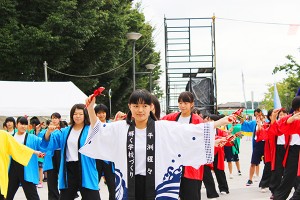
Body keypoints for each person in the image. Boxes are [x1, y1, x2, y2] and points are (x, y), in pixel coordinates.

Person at [81, 89, 233, 199]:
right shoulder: (120, 128)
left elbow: (189, 132)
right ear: (130, 107)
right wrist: (90, 108)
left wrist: (220, 122)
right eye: (136, 106)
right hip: (129, 183)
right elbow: (99, 130)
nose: (140, 110)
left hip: (156, 182)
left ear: (150, 107)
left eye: (144, 106)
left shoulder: (163, 127)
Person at [41, 104, 100, 200]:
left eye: (80, 114)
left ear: (85, 115)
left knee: (92, 196)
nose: (77, 116)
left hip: (85, 168)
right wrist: (48, 132)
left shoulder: (89, 130)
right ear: (71, 115)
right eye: (75, 114)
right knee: (65, 197)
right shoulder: (65, 131)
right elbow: (49, 143)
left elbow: (98, 129)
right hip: (69, 169)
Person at [161, 91, 205, 200]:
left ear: (192, 104)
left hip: (191, 166)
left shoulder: (198, 120)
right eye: (180, 103)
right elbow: (157, 125)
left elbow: (203, 139)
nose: (182, 105)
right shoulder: (171, 118)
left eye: (185, 103)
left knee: (191, 195)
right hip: (174, 165)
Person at [6, 117, 44, 200]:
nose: (23, 126)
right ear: (16, 125)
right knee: (7, 194)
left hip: (27, 167)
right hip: (12, 167)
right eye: (21, 124)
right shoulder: (10, 138)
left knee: (32, 195)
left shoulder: (32, 137)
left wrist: (40, 133)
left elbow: (43, 144)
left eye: (25, 124)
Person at [271, 97, 300, 200]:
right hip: (293, 151)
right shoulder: (288, 119)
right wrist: (274, 118)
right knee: (288, 179)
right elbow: (276, 131)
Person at [0, 130, 41, 200]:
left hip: (18, 169)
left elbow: (17, 147)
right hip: (12, 169)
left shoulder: (3, 135)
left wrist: (34, 152)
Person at [40, 112, 66, 200]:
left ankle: (64, 196)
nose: (54, 120)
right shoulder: (46, 130)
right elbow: (43, 140)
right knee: (51, 178)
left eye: (56, 118)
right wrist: (48, 131)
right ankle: (53, 197)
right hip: (50, 156)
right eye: (53, 118)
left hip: (61, 154)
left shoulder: (64, 130)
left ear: (60, 119)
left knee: (63, 176)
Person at [94, 104, 115, 200]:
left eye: (103, 112)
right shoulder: (92, 125)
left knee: (112, 185)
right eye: (99, 113)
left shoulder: (112, 125)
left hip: (108, 159)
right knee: (93, 184)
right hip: (96, 158)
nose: (101, 115)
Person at [241, 108, 265, 186]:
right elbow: (245, 124)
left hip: (266, 144)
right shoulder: (254, 123)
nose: (257, 116)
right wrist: (240, 118)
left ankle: (267, 180)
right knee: (253, 163)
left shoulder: (267, 122)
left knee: (268, 163)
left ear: (261, 113)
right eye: (255, 115)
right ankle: (250, 179)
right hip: (257, 145)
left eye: (258, 114)